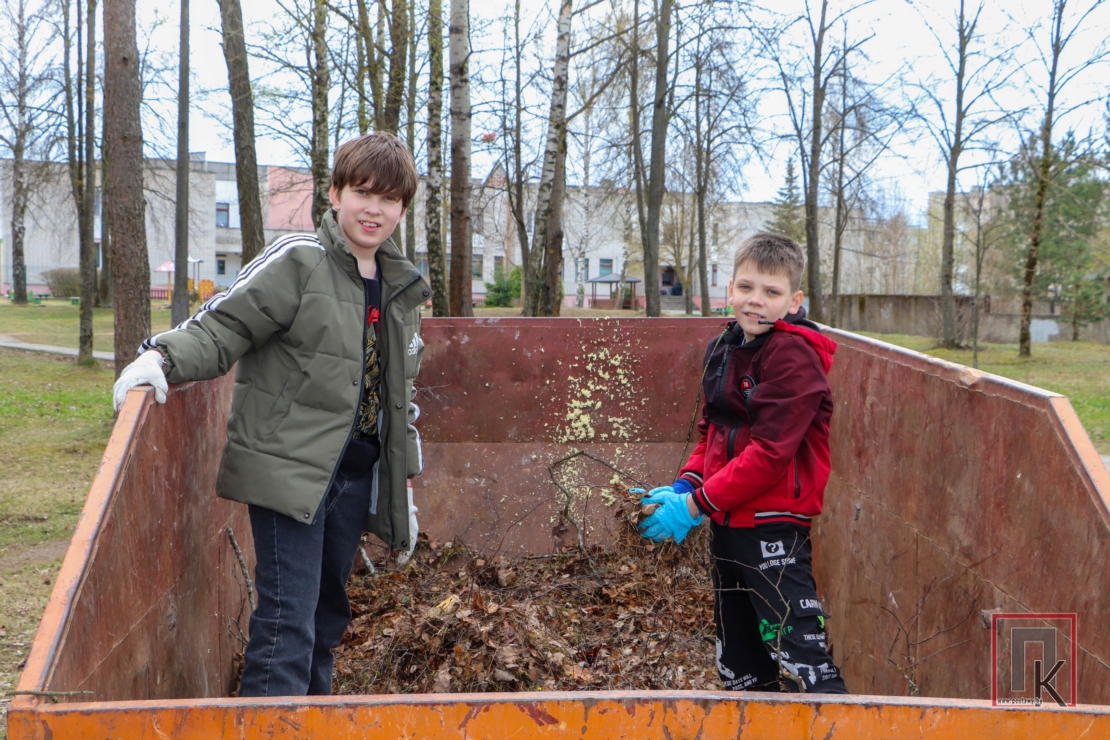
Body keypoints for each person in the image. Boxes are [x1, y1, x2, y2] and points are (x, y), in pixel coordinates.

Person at [111, 132, 431, 697]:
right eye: (362, 192)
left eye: (389, 199)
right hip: (290, 470)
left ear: (402, 209)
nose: (374, 209)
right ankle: (266, 725)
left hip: (353, 476)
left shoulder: (400, 288)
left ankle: (311, 722)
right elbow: (224, 325)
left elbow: (397, 396)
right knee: (288, 624)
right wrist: (161, 357)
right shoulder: (300, 261)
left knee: (327, 619)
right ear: (335, 194)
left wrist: (399, 486)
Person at [638, 232, 847, 694]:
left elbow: (770, 455)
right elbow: (713, 433)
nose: (756, 301)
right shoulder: (724, 347)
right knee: (739, 662)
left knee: (803, 659)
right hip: (726, 523)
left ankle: (840, 719)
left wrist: (694, 505)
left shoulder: (794, 358)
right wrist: (685, 486)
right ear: (730, 288)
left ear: (793, 302)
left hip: (773, 528)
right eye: (747, 287)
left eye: (772, 292)